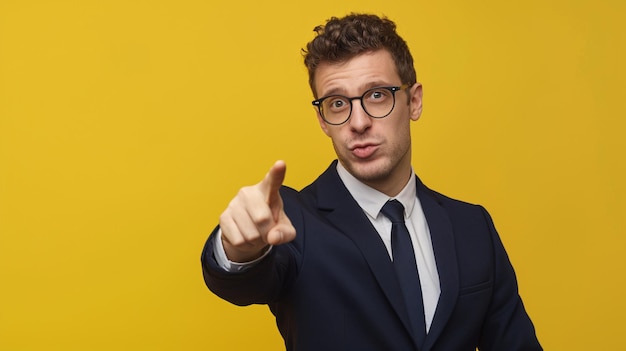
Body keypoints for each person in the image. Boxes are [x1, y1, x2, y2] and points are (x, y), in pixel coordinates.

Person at [201, 13, 542, 351]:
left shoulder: (473, 227)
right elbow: (243, 283)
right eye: (337, 103)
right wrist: (239, 251)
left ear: (414, 101)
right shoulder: (291, 221)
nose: (359, 122)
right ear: (323, 120)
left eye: (377, 95)